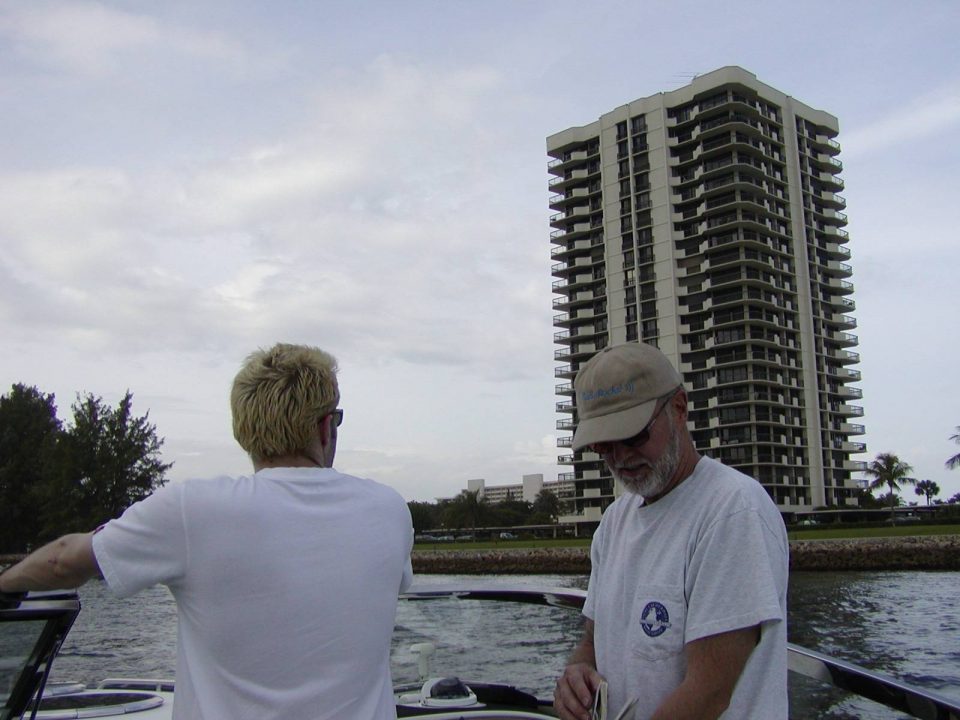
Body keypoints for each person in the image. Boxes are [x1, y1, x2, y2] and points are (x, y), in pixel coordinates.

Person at [0, 343, 414, 720]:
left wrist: (7, 583)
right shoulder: (389, 509)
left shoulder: (192, 510)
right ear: (325, 428)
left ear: (244, 432)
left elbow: (61, 561)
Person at [553, 342, 788, 720]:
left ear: (679, 408)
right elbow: (594, 642)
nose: (620, 457)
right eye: (603, 445)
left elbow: (710, 693)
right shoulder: (615, 521)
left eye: (632, 436)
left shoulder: (732, 511)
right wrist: (576, 673)